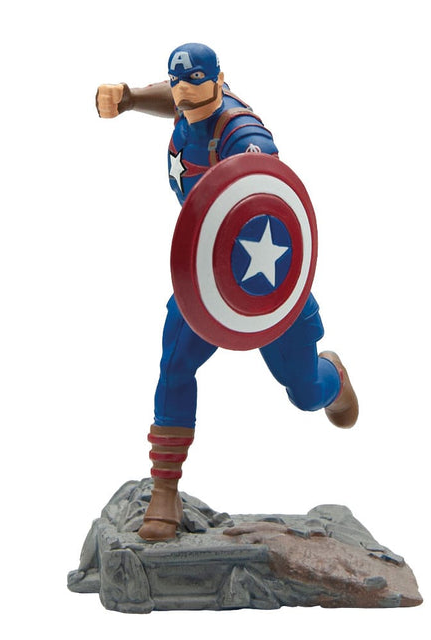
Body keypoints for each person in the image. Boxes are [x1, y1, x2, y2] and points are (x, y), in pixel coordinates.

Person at [96, 43, 359, 541]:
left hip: (265, 287)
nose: (184, 93)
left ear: (219, 81)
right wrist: (130, 98)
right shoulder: (186, 103)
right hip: (205, 281)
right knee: (174, 365)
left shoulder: (242, 133)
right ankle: (165, 489)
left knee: (304, 392)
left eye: (196, 82)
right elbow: (174, 98)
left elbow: (267, 179)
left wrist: (251, 170)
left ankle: (333, 376)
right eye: (179, 84)